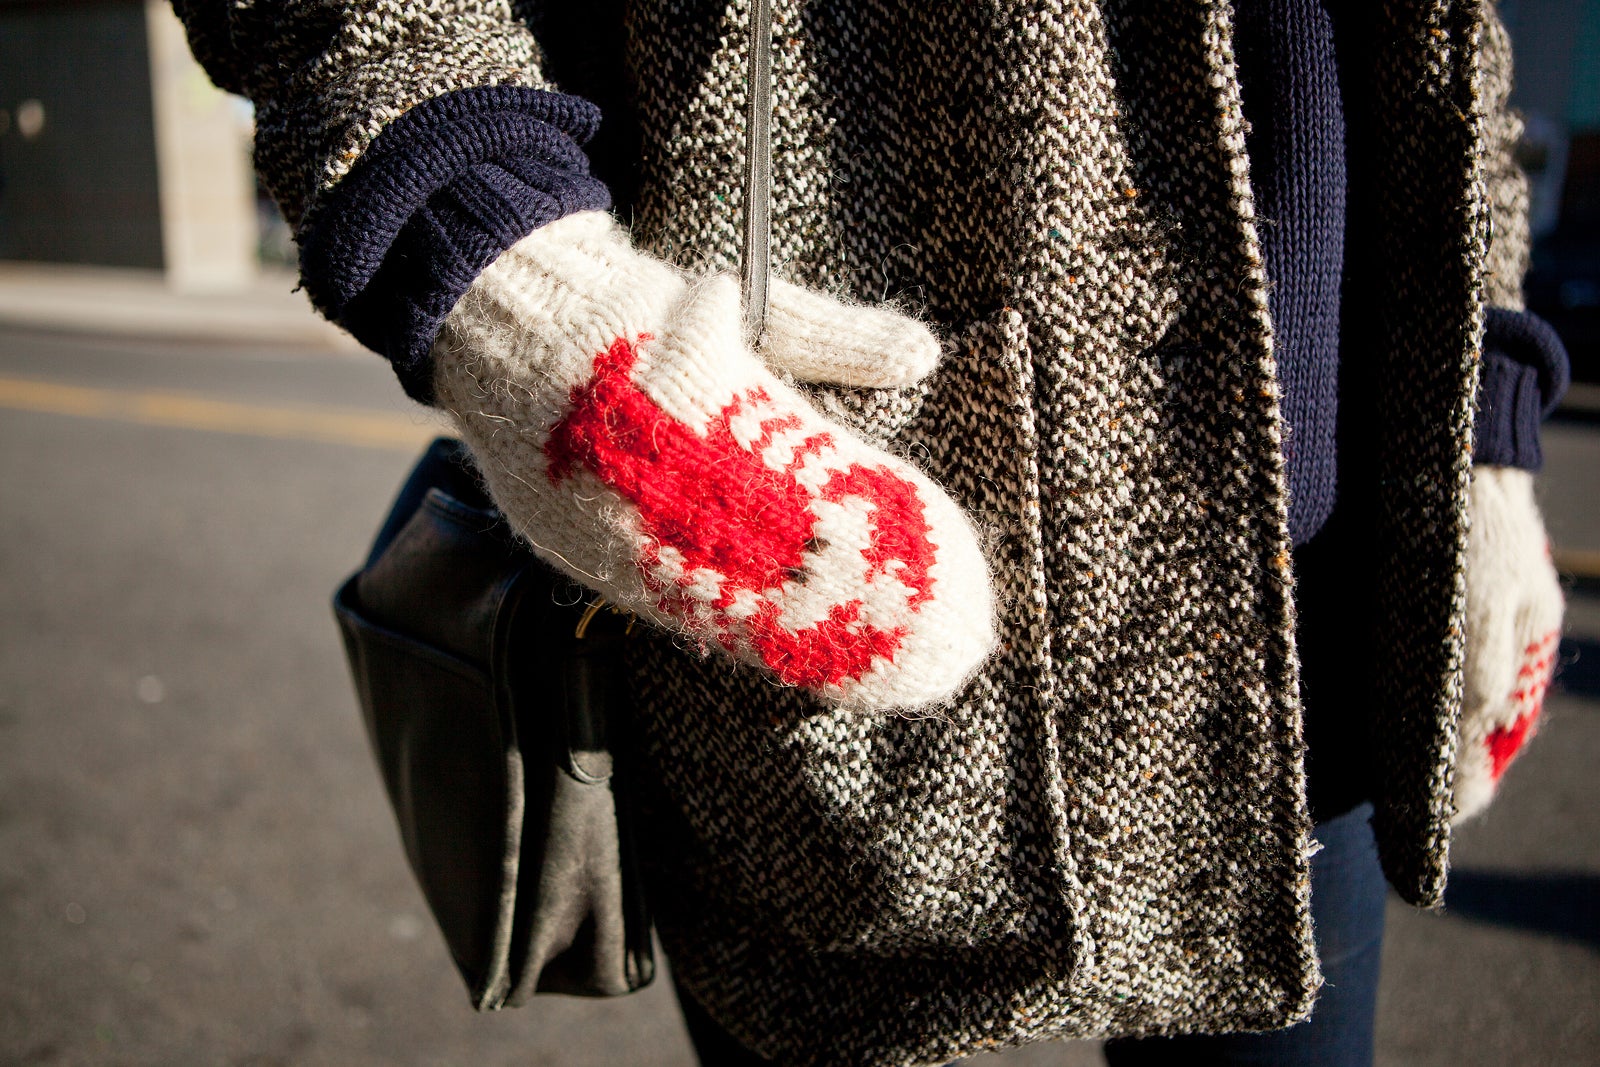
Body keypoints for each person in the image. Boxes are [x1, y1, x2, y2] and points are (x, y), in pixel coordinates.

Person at [172, 2, 1568, 1064]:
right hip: (811, 550)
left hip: (1312, 618)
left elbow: (1457, 46)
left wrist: (1485, 411)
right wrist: (510, 277)